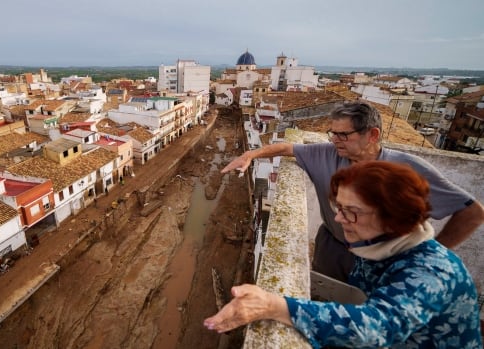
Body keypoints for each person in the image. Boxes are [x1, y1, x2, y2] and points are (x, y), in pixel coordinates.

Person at [204, 161, 482, 348]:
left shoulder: (431, 273)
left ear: (392, 217)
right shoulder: (377, 243)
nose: (338, 219)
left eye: (351, 211)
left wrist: (276, 306)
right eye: (339, 207)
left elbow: (376, 329)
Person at [222, 100, 484, 281]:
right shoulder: (327, 154)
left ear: (372, 134)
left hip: (385, 261)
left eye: (343, 135)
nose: (335, 140)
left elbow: (472, 212)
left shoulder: (407, 168)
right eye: (332, 133)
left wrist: (433, 253)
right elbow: (286, 148)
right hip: (333, 250)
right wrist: (251, 155)